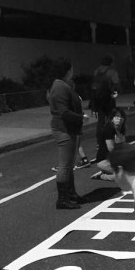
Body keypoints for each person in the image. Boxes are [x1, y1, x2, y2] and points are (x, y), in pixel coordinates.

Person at [49, 58, 89, 210]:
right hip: (64, 129)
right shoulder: (60, 87)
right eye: (71, 69)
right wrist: (81, 117)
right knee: (65, 165)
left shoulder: (62, 85)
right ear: (67, 70)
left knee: (69, 164)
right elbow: (64, 112)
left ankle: (71, 194)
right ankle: (62, 199)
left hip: (68, 128)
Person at [91, 55, 121, 157]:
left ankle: (99, 142)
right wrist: (117, 92)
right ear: (110, 63)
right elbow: (116, 84)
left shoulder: (96, 71)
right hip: (108, 98)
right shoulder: (111, 71)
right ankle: (111, 140)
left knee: (100, 121)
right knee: (111, 119)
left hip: (98, 100)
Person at [91, 107, 128, 182]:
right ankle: (102, 176)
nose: (119, 119)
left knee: (134, 171)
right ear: (112, 118)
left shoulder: (122, 127)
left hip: (114, 158)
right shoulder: (109, 128)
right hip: (104, 160)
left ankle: (108, 171)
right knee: (124, 177)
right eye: (117, 116)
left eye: (121, 116)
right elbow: (111, 148)